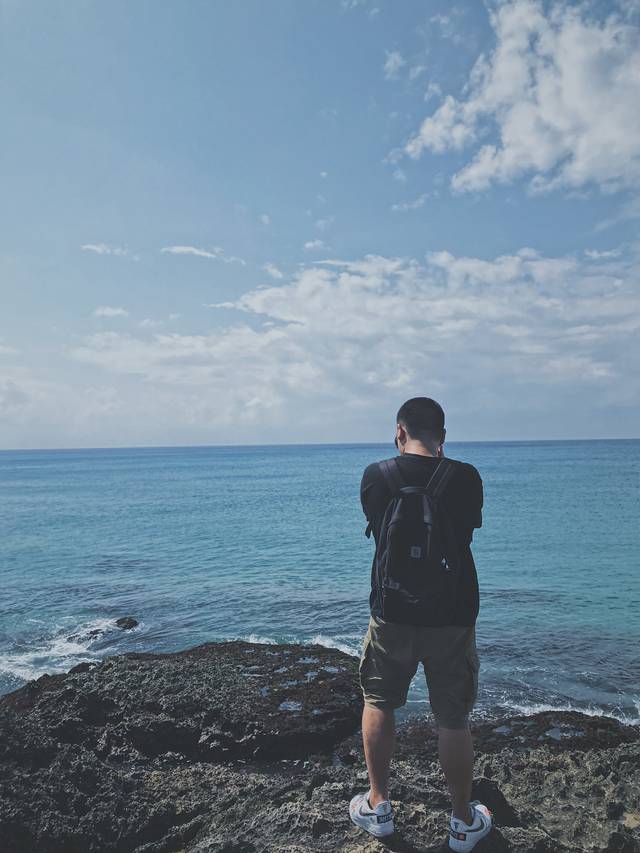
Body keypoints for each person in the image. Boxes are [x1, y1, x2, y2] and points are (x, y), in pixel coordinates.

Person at [349, 397, 492, 851]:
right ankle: (462, 821)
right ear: (443, 437)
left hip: (391, 612)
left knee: (379, 700)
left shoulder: (376, 476)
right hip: (452, 616)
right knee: (453, 716)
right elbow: (467, 531)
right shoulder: (464, 477)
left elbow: (377, 526)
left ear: (399, 432)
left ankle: (378, 805)